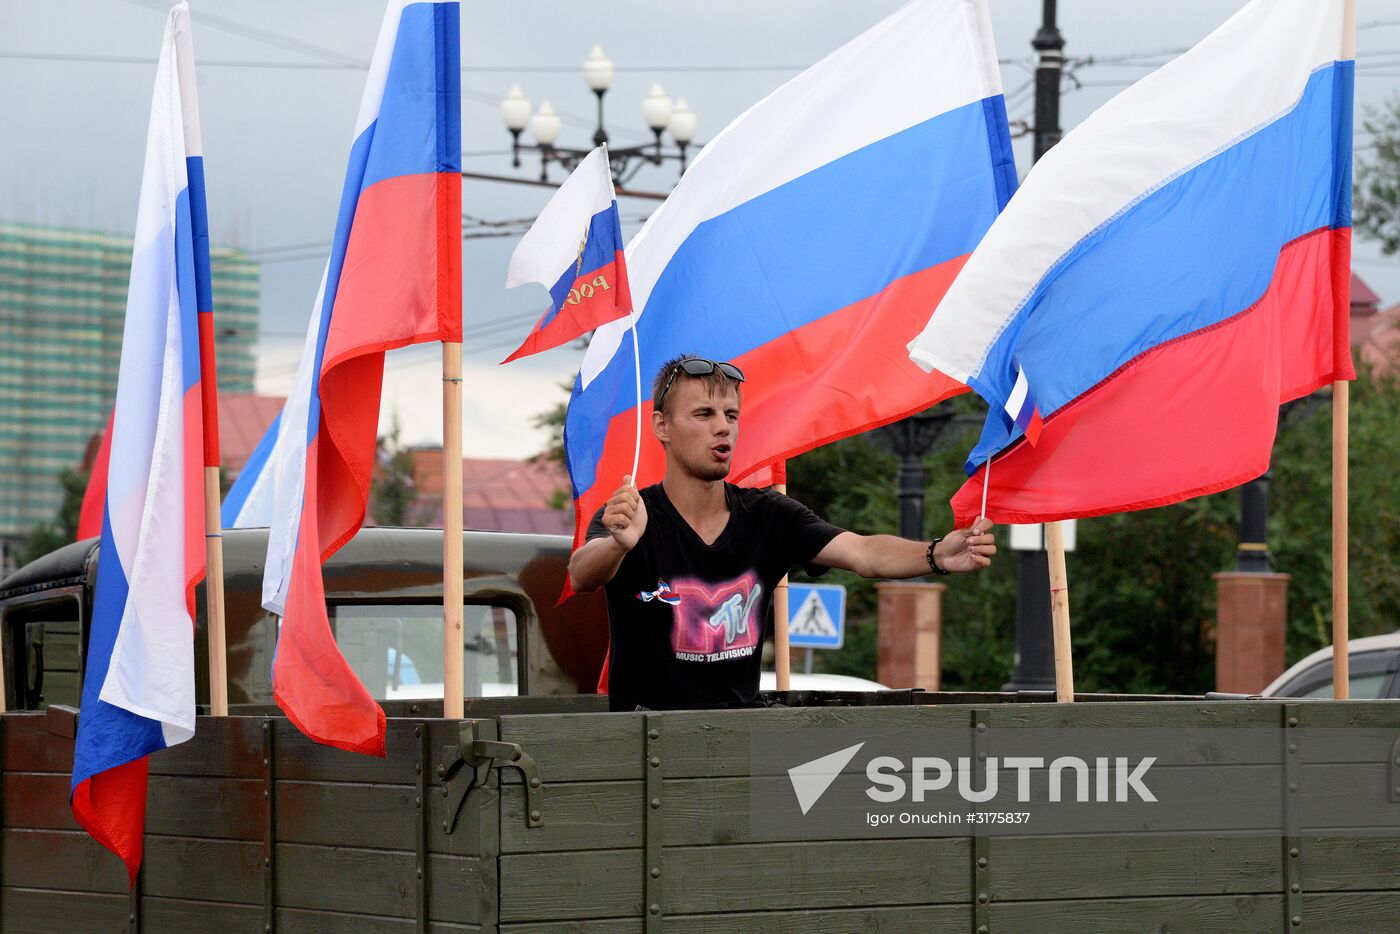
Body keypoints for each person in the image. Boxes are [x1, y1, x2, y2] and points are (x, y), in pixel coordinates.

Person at [568, 355, 996, 711]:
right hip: (648, 748)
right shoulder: (630, 514)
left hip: (745, 742)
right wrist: (619, 546)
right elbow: (582, 574)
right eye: (704, 414)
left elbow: (864, 553)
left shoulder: (768, 515)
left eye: (731, 415)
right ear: (662, 426)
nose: (723, 427)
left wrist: (937, 553)